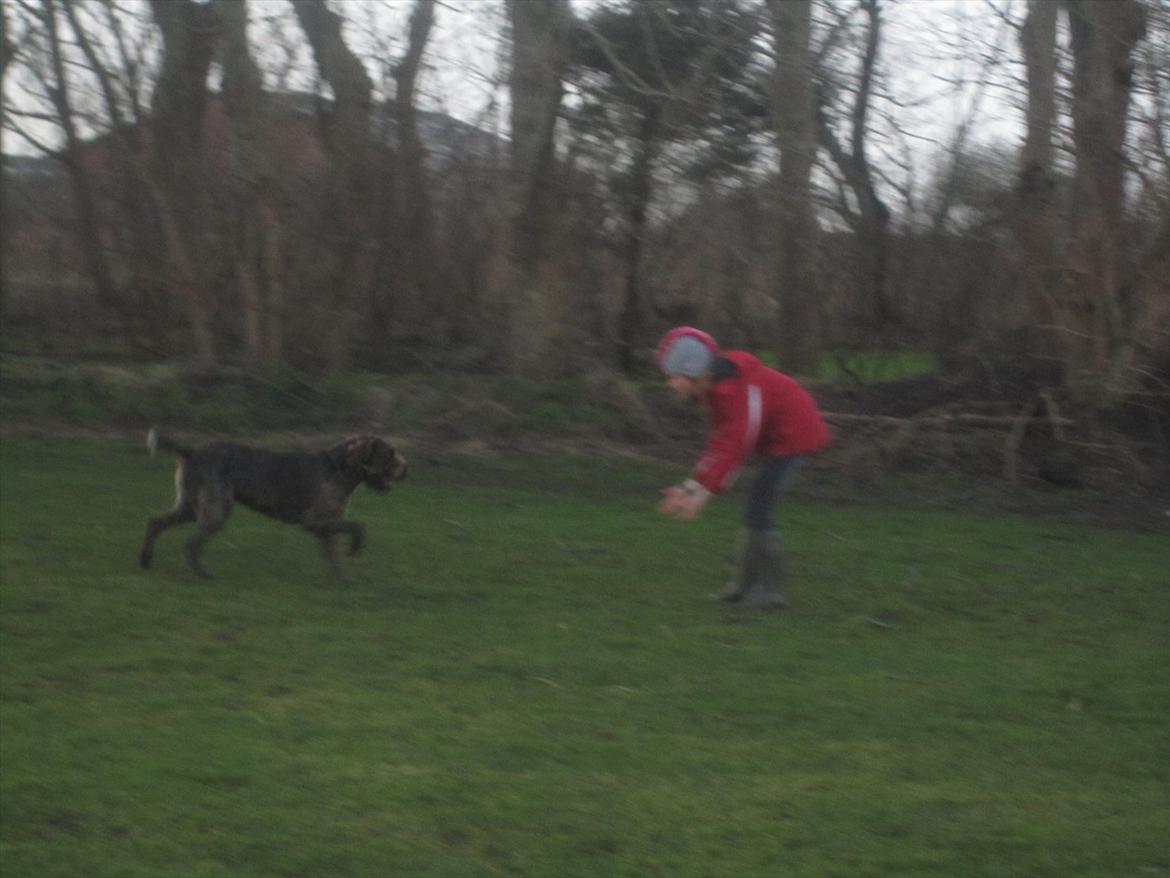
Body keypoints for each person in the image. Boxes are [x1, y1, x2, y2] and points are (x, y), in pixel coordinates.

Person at [655, 326, 830, 609]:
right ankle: (745, 588)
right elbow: (720, 444)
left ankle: (769, 594)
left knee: (757, 512)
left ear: (695, 372)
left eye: (674, 376)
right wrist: (692, 485)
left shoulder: (736, 390)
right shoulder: (716, 389)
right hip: (776, 440)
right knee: (754, 511)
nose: (670, 384)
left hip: (793, 438)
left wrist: (704, 492)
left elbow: (738, 444)